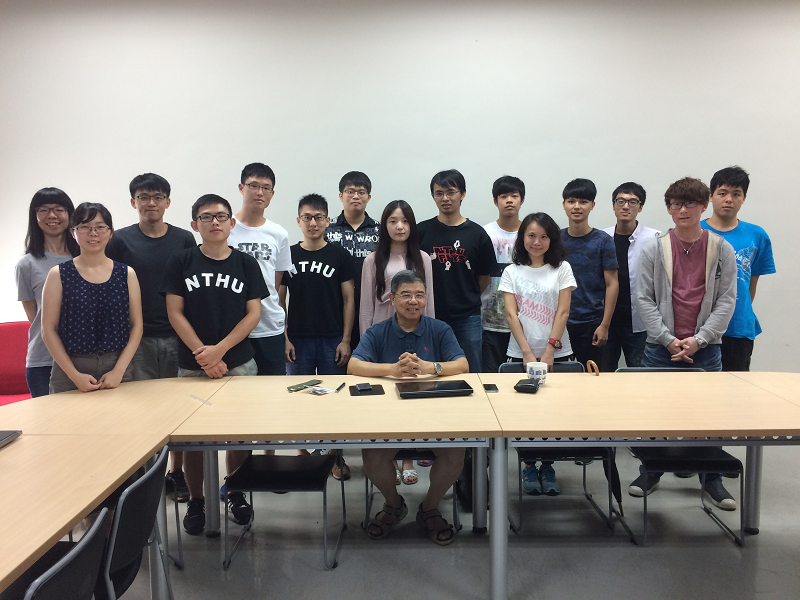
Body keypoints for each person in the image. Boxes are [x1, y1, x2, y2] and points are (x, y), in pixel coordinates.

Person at [161, 194, 268, 535]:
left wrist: (219, 351)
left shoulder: (246, 263)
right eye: (206, 217)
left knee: (239, 436)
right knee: (194, 440)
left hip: (238, 362)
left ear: (232, 223)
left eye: (221, 216)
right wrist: (202, 354)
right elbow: (174, 312)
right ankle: (197, 500)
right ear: (195, 224)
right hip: (193, 364)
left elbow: (253, 314)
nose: (215, 222)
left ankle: (235, 493)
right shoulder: (181, 261)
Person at [629, 177, 737, 509]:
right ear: (668, 208)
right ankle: (651, 472)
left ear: (703, 206)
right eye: (676, 204)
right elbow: (644, 298)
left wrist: (700, 339)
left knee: (709, 418)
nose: (683, 210)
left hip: (706, 349)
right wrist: (668, 339)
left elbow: (727, 300)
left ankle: (712, 479)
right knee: (654, 415)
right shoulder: (655, 248)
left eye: (690, 203)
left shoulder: (721, 248)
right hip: (660, 348)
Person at [349, 270, 469, 545]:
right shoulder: (378, 331)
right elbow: (354, 365)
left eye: (419, 295)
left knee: (456, 453)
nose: (413, 301)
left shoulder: (440, 329)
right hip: (388, 418)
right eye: (406, 295)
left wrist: (430, 367)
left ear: (426, 299)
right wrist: (392, 370)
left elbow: (462, 364)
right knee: (372, 456)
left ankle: (429, 508)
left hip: (435, 416)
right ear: (392, 299)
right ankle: (394, 504)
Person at [105, 173, 196, 502]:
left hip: (177, 336)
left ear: (168, 202)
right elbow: (111, 286)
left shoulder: (184, 239)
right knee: (142, 412)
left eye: (157, 197)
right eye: (144, 197)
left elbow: (193, 286)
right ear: (133, 202)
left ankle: (177, 472)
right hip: (137, 339)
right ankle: (145, 478)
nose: (151, 203)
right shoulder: (120, 241)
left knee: (178, 410)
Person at [500, 212, 576, 495]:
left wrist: (549, 351)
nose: (537, 241)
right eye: (531, 235)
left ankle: (548, 465)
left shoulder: (562, 268)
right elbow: (511, 314)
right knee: (526, 415)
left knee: (554, 415)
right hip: (521, 354)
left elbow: (563, 311)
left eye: (544, 236)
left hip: (558, 354)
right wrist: (527, 353)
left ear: (552, 239)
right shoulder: (512, 271)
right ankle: (529, 466)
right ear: (522, 238)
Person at [280, 194, 356, 480]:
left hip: (331, 338)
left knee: (334, 399)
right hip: (297, 339)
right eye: (307, 217)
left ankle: (335, 456)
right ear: (298, 221)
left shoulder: (339, 255)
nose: (313, 223)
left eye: (318, 217)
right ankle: (302, 454)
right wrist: (284, 338)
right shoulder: (288, 255)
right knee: (299, 398)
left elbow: (349, 300)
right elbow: (279, 300)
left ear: (327, 221)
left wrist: (345, 340)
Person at [360, 200, 435, 485]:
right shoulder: (372, 260)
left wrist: (430, 336)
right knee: (386, 398)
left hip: (416, 333)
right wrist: (367, 342)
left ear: (412, 225)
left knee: (411, 396)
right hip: (383, 334)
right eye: (393, 221)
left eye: (404, 221)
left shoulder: (423, 258)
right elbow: (366, 306)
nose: (399, 226)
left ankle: (407, 458)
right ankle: (388, 456)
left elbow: (429, 302)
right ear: (385, 225)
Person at [41, 203, 143, 394]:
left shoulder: (126, 274)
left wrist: (118, 371)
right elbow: (48, 330)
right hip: (70, 368)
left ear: (111, 232)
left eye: (100, 227)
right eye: (84, 227)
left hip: (118, 366)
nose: (93, 233)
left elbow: (137, 325)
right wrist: (74, 375)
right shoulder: (58, 274)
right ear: (73, 232)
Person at [418, 169, 497, 372]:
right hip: (429, 315)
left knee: (470, 370)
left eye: (451, 192)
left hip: (467, 317)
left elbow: (484, 278)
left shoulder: (477, 234)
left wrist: (465, 297)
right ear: (433, 196)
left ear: (462, 194)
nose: (445, 198)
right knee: (428, 370)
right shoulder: (421, 231)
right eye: (439, 193)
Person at [701, 166, 776, 371]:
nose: (729, 199)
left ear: (744, 198)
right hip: (699, 327)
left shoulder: (756, 235)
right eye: (722, 193)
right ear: (710, 196)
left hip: (738, 327)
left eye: (736, 194)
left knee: (736, 385)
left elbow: (752, 282)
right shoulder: (695, 231)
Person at [228, 163, 292, 375]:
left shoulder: (279, 233)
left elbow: (275, 284)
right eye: (253, 185)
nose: (259, 192)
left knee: (272, 388)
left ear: (272, 193)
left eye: (266, 188)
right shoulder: (225, 228)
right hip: (232, 327)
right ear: (241, 188)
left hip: (268, 327)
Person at [15, 188, 80, 397]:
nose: (52, 215)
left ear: (70, 214)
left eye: (59, 209)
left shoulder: (86, 258)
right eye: (43, 209)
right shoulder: (26, 264)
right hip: (43, 360)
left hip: (84, 357)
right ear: (34, 216)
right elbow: (35, 315)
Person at [601, 182, 660, 371]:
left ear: (640, 207)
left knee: (641, 375)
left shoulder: (655, 239)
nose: (626, 206)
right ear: (613, 205)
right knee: (603, 374)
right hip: (606, 322)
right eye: (621, 201)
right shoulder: (601, 237)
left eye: (633, 202)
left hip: (640, 324)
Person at [560, 178, 619, 370]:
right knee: (559, 377)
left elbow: (612, 284)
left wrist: (605, 325)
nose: (577, 206)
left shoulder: (603, 241)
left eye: (583, 202)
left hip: (591, 323)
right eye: (571, 201)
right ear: (564, 204)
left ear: (592, 205)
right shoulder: (555, 240)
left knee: (592, 377)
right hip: (559, 323)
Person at [325, 171, 380, 351]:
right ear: (341, 195)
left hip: (371, 306)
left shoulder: (380, 231)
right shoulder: (327, 229)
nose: (356, 196)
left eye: (361, 192)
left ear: (368, 197)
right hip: (334, 307)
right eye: (350, 191)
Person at [481, 175, 525, 373]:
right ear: (495, 201)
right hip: (490, 321)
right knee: (492, 377)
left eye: (514, 196)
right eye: (503, 196)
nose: (509, 201)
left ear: (522, 200)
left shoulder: (531, 235)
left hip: (525, 321)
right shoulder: (484, 233)